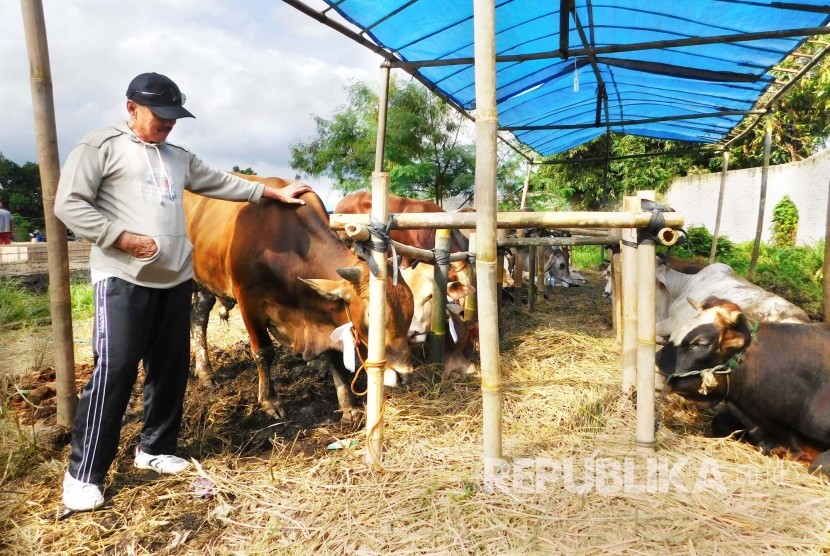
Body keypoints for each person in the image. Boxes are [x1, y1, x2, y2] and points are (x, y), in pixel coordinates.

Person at [54, 72, 313, 512]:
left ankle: (155, 448)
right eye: (162, 116)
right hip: (123, 278)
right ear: (131, 107)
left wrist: (271, 192)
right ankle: (83, 473)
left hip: (175, 277)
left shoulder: (176, 156)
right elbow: (69, 205)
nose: (169, 124)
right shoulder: (100, 147)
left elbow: (220, 182)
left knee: (170, 368)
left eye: (175, 117)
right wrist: (121, 237)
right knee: (115, 371)